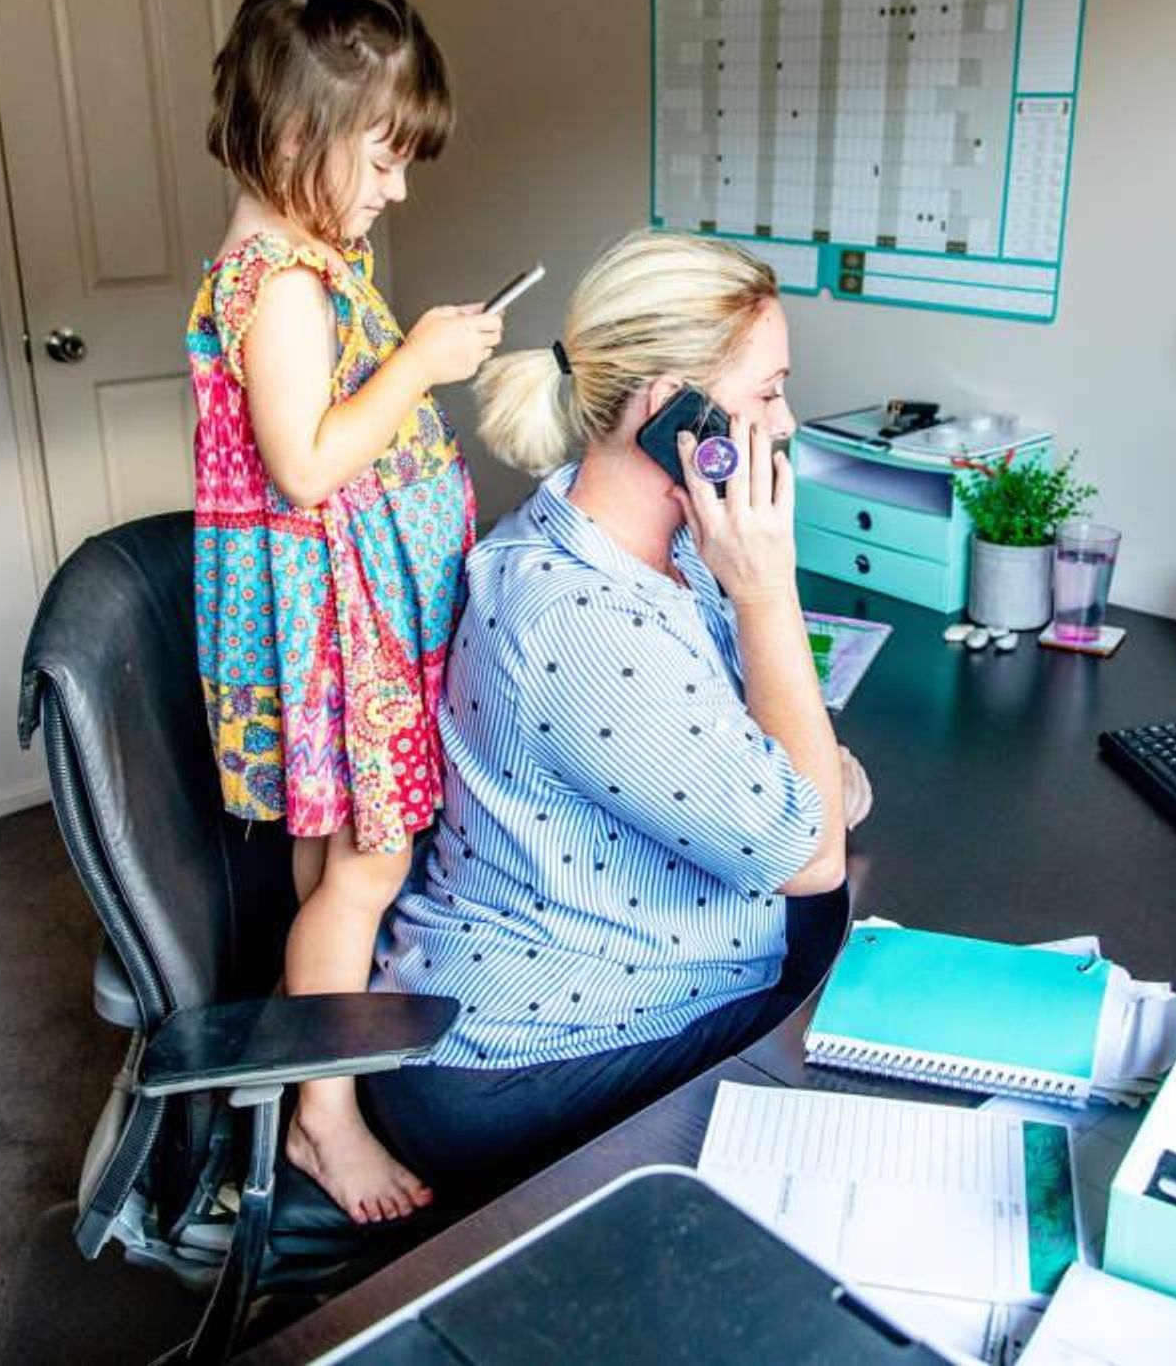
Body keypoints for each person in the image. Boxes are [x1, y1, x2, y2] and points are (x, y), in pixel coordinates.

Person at [364, 231, 870, 1205]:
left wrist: (808, 790)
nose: (786, 419)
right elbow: (810, 843)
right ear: (669, 413)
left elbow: (817, 784)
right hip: (519, 1057)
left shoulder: (669, 557)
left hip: (635, 991)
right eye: (766, 391)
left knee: (858, 981)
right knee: (852, 1077)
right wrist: (770, 593)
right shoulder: (578, 617)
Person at [188, 0, 500, 1223]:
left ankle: (314, 1079)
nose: (395, 183)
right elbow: (306, 465)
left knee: (338, 878)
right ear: (292, 132)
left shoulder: (302, 262)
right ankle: (326, 1118)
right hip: (336, 640)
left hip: (350, 626)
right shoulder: (282, 286)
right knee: (366, 874)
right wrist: (420, 363)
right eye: (378, 156)